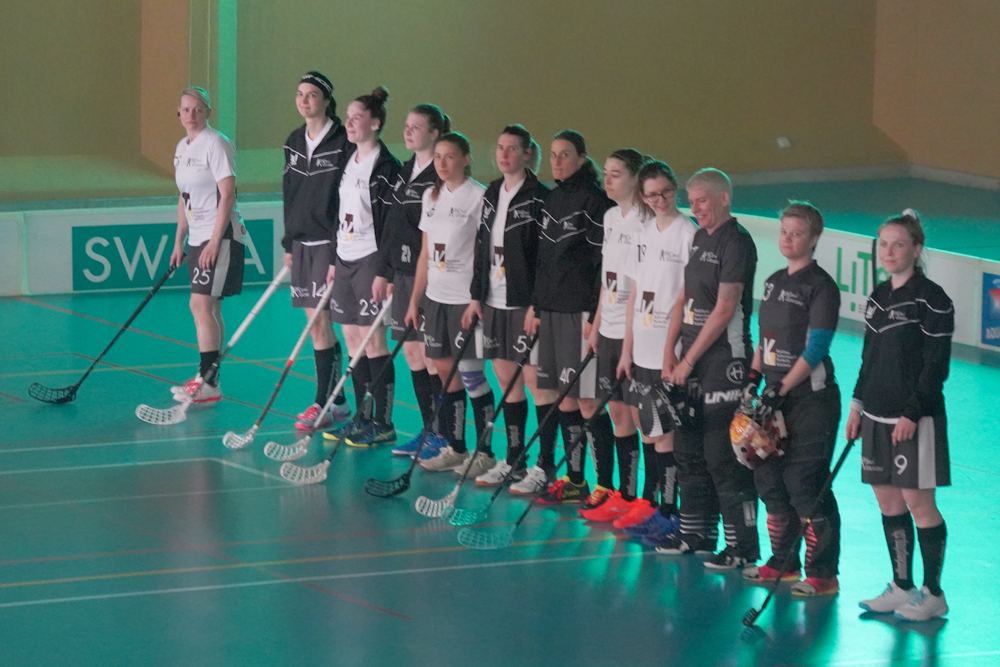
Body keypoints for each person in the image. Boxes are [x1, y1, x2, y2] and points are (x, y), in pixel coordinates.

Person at [846, 210, 953, 621]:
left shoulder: (933, 299)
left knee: (918, 502)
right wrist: (857, 406)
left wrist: (912, 411)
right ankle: (901, 586)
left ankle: (933, 593)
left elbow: (935, 367)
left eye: (898, 245)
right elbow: (869, 358)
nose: (888, 252)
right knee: (887, 500)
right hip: (874, 416)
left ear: (916, 249)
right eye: (884, 244)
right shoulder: (877, 296)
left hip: (915, 420)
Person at [659, 168, 760, 570]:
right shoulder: (700, 238)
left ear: (723, 198)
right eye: (692, 201)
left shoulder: (737, 241)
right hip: (690, 363)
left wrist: (687, 360)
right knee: (688, 451)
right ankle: (696, 533)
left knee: (723, 458)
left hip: (724, 363)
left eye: (702, 200)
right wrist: (670, 351)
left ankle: (742, 547)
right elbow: (683, 297)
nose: (695, 208)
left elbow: (725, 307)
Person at [741, 202, 843, 596]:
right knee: (769, 480)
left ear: (814, 239)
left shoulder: (821, 286)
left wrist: (780, 388)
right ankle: (782, 562)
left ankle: (822, 573)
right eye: (784, 231)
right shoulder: (772, 282)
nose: (787, 239)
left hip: (811, 401)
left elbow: (816, 347)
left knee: (806, 483)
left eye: (797, 233)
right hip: (771, 402)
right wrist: (753, 380)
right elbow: (764, 341)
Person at [598, 162, 697, 545]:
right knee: (648, 431)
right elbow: (635, 293)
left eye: (666, 192)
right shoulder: (642, 234)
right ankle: (652, 504)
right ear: (643, 196)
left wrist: (674, 351)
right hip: (640, 350)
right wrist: (627, 351)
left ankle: (669, 512)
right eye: (652, 195)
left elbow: (686, 297)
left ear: (676, 189)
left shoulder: (687, 234)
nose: (660, 200)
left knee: (666, 436)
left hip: (666, 353)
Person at [523, 130, 614, 501]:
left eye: (565, 154)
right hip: (551, 311)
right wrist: (536, 305)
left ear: (581, 158)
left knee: (589, 401)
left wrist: (594, 314)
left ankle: (605, 485)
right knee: (564, 399)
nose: (557, 161)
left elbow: (601, 265)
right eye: (553, 154)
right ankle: (575, 479)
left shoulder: (596, 201)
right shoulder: (551, 198)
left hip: (581, 312)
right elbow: (543, 261)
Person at [462, 125, 549, 487]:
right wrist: (476, 296)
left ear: (527, 154)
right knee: (505, 378)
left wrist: (537, 304)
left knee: (535, 382)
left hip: (523, 304)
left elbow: (544, 257)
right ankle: (514, 460)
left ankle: (545, 466)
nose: (504, 155)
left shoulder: (540, 197)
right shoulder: (492, 192)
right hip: (493, 301)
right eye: (500, 148)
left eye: (512, 149)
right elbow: (481, 246)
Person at [404, 132, 495, 473]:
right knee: (443, 372)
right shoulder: (431, 195)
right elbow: (425, 253)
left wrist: (476, 298)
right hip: (436, 298)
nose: (442, 163)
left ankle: (485, 453)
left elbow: (486, 253)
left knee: (471, 375)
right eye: (438, 157)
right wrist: (415, 300)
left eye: (450, 156)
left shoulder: (479, 196)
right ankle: (456, 448)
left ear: (466, 159)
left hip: (464, 300)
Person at [320, 87, 401, 448]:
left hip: (371, 258)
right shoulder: (347, 159)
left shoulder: (386, 167)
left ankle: (383, 422)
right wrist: (335, 258)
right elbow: (340, 213)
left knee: (374, 340)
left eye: (357, 118)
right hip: (345, 257)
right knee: (353, 338)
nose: (349, 123)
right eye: (348, 117)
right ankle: (361, 417)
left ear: (375, 123)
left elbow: (390, 225)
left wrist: (385, 270)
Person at [373, 105, 451, 460]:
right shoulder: (404, 172)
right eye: (406, 126)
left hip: (430, 276)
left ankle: (445, 434)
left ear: (434, 134)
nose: (407, 132)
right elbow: (391, 226)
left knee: (434, 357)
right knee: (413, 353)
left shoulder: (440, 176)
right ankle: (428, 429)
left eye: (416, 127)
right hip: (403, 275)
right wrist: (386, 271)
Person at [576, 149, 649, 520]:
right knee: (617, 412)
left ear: (636, 179)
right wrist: (597, 325)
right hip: (607, 329)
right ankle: (620, 493)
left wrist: (630, 338)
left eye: (616, 174)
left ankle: (643, 498)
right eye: (605, 172)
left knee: (639, 417)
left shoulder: (645, 222)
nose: (606, 179)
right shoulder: (609, 217)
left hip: (633, 332)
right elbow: (608, 278)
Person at [280, 71, 352, 430]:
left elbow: (348, 197)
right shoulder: (294, 141)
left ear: (326, 100)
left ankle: (325, 402)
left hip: (329, 242)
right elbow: (289, 192)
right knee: (315, 324)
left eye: (311, 95)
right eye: (299, 94)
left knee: (322, 322)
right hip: (302, 243)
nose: (304, 101)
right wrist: (289, 242)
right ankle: (337, 401)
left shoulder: (343, 141)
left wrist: (339, 248)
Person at [169, 87, 247, 405]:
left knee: (200, 305)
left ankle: (208, 382)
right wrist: (179, 240)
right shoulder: (182, 147)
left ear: (208, 113)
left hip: (220, 235)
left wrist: (215, 241)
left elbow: (227, 194)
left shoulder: (216, 143)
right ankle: (208, 377)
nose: (192, 115)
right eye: (186, 109)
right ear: (179, 113)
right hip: (197, 236)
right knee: (210, 307)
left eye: (198, 109)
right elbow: (184, 197)